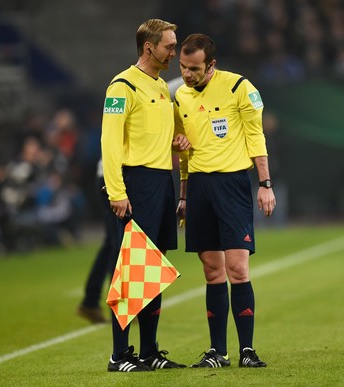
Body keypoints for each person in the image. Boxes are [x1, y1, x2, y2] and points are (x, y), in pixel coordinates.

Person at [174, 33, 276, 368]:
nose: (188, 74)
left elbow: (255, 135)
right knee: (212, 271)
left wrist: (264, 183)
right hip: (200, 187)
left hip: (233, 184)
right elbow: (184, 151)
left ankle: (247, 350)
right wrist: (185, 194)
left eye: (195, 68)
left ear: (211, 65)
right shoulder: (181, 97)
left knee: (237, 267)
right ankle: (218, 351)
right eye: (184, 67)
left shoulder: (238, 87)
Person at [100, 18, 190, 372]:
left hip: (160, 182)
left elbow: (150, 135)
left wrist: (176, 141)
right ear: (149, 47)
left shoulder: (158, 88)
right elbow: (110, 141)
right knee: (131, 270)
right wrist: (117, 191)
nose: (174, 51)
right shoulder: (121, 86)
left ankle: (150, 352)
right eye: (169, 45)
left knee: (152, 269)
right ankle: (119, 355)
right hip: (134, 183)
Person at [76, 160, 117, 324]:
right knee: (117, 244)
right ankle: (118, 304)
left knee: (111, 244)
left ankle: (90, 301)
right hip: (114, 176)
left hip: (108, 174)